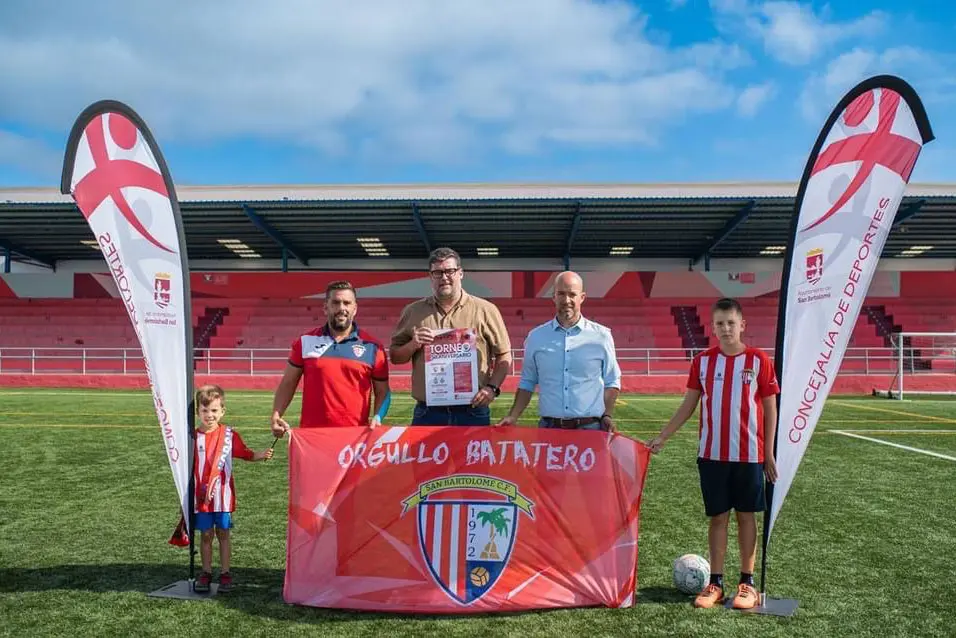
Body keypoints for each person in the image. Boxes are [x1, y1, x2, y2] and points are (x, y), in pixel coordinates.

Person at [647, 297, 779, 610]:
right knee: (717, 518)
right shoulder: (703, 361)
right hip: (712, 455)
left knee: (747, 517)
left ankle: (747, 583)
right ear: (713, 327)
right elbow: (689, 404)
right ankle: (715, 583)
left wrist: (769, 453)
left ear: (742, 325)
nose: (725, 328)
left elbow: (771, 408)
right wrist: (664, 435)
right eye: (719, 323)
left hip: (749, 456)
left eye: (731, 322)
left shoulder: (759, 360)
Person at [390, 247, 511, 426]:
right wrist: (413, 344)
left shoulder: (486, 310)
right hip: (428, 412)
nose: (444, 277)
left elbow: (504, 355)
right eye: (437, 272)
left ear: (460, 273)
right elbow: (395, 357)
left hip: (472, 410)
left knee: (472, 456)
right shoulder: (412, 311)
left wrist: (492, 388)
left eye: (450, 271)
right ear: (430, 276)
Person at [497, 271, 621, 431]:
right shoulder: (536, 337)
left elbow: (612, 381)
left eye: (572, 294)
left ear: (582, 297)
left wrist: (607, 415)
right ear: (554, 297)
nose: (566, 300)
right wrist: (513, 416)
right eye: (561, 294)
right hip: (549, 429)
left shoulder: (601, 336)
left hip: (590, 429)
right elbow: (528, 381)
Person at [271, 281, 390, 437]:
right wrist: (276, 415)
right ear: (325, 307)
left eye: (347, 303)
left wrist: (378, 417)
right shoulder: (305, 341)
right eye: (335, 303)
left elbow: (383, 391)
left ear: (355, 309)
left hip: (355, 437)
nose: (342, 308)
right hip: (313, 435)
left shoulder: (373, 347)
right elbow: (288, 383)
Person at [192, 384, 273, 593]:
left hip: (223, 498)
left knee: (224, 533)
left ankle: (226, 572)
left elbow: (246, 454)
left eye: (214, 410)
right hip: (201, 499)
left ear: (222, 411)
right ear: (198, 412)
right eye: (205, 410)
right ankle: (206, 572)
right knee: (206, 535)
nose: (209, 415)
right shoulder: (192, 437)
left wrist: (261, 454)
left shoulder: (229, 436)